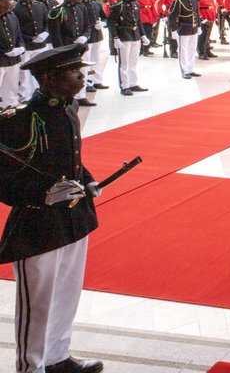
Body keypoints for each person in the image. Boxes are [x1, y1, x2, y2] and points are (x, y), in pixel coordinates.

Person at [0, 44, 105, 373]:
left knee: (66, 293)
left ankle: (58, 357)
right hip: (38, 226)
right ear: (48, 78)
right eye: (74, 71)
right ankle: (31, 367)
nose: (81, 76)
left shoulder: (68, 110)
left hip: (73, 219)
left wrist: (87, 181)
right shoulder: (20, 121)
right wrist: (43, 195)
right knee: (39, 304)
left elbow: (72, 161)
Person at [108, 0, 148, 96]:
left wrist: (143, 35)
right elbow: (110, 22)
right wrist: (115, 37)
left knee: (133, 61)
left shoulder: (135, 4)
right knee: (124, 63)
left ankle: (133, 83)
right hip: (124, 36)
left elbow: (138, 21)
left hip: (135, 36)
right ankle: (124, 86)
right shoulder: (119, 4)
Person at [168, 0, 202, 80]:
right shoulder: (178, 0)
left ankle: (191, 69)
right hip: (183, 28)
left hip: (193, 28)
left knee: (192, 49)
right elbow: (172, 16)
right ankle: (185, 70)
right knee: (183, 51)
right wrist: (173, 30)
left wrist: (199, 26)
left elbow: (196, 13)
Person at [0, 0, 25, 107]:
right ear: (1, 2)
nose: (13, 1)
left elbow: (19, 36)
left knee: (11, 88)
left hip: (13, 60)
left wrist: (20, 48)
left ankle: (10, 109)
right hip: (1, 60)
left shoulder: (12, 16)